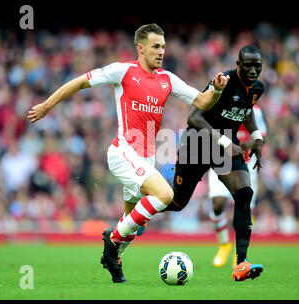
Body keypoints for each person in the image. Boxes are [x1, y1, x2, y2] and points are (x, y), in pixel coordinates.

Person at [27, 23, 229, 283]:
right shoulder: (122, 71)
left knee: (134, 225)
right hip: (122, 152)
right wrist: (46, 105)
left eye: (164, 47)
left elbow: (202, 101)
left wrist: (216, 89)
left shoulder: (168, 79)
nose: (161, 52)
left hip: (145, 159)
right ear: (140, 48)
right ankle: (111, 242)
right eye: (156, 47)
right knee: (165, 194)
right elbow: (79, 82)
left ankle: (114, 259)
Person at [140, 44, 265, 281]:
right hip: (197, 143)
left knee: (244, 192)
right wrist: (226, 144)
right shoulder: (222, 82)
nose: (252, 70)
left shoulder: (257, 88)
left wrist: (256, 136)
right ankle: (140, 210)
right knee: (177, 202)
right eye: (247, 65)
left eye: (257, 66)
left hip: (225, 146)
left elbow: (246, 109)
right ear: (237, 64)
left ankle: (241, 264)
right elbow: (194, 117)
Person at [207, 104, 267, 269]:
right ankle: (224, 244)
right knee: (217, 204)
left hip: (246, 162)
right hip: (220, 159)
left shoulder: (255, 110)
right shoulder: (219, 104)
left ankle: (239, 253)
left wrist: (249, 143)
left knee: (242, 206)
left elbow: (262, 136)